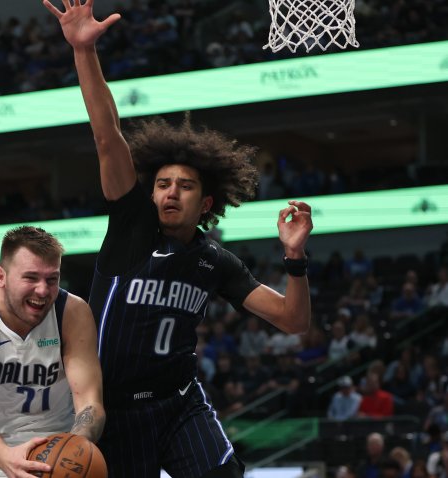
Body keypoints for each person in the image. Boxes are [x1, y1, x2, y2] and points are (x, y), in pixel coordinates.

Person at [43, 1, 313, 476]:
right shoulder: (131, 226)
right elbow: (108, 136)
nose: (170, 193)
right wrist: (83, 51)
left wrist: (295, 259)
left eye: (185, 186)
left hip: (179, 402)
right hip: (115, 408)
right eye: (163, 184)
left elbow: (293, 321)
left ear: (205, 203)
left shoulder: (215, 261)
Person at [0, 226, 105, 477]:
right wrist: (8, 459)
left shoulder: (72, 313)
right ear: (1, 276)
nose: (42, 290)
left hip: (54, 454)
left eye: (52, 279)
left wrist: (75, 445)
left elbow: (91, 404)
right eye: (31, 278)